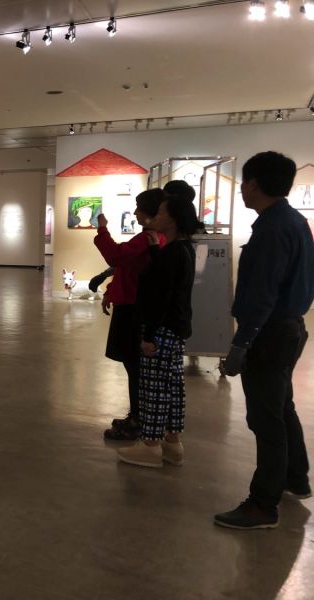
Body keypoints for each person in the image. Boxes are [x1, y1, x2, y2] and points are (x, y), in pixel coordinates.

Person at [215, 151, 314, 529]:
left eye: (244, 182)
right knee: (281, 407)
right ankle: (295, 477)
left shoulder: (272, 229)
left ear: (254, 184)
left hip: (269, 334)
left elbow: (262, 294)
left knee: (266, 418)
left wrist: (241, 344)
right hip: (289, 329)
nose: (242, 189)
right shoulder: (294, 221)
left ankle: (262, 505)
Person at [117, 194, 200, 468]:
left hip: (161, 330)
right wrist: (155, 252)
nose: (156, 216)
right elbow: (167, 278)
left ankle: (150, 446)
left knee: (153, 389)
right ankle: (172, 443)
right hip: (176, 328)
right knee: (172, 386)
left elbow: (160, 296)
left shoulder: (174, 252)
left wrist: (149, 335)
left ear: (173, 219)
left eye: (162, 212)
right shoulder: (183, 249)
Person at [94, 189, 166, 441]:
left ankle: (137, 419)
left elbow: (117, 256)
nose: (135, 212)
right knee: (132, 365)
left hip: (134, 308)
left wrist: (102, 229)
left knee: (135, 366)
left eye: (138, 207)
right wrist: (110, 291)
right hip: (129, 304)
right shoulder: (151, 238)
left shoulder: (150, 238)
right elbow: (126, 267)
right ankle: (137, 415)